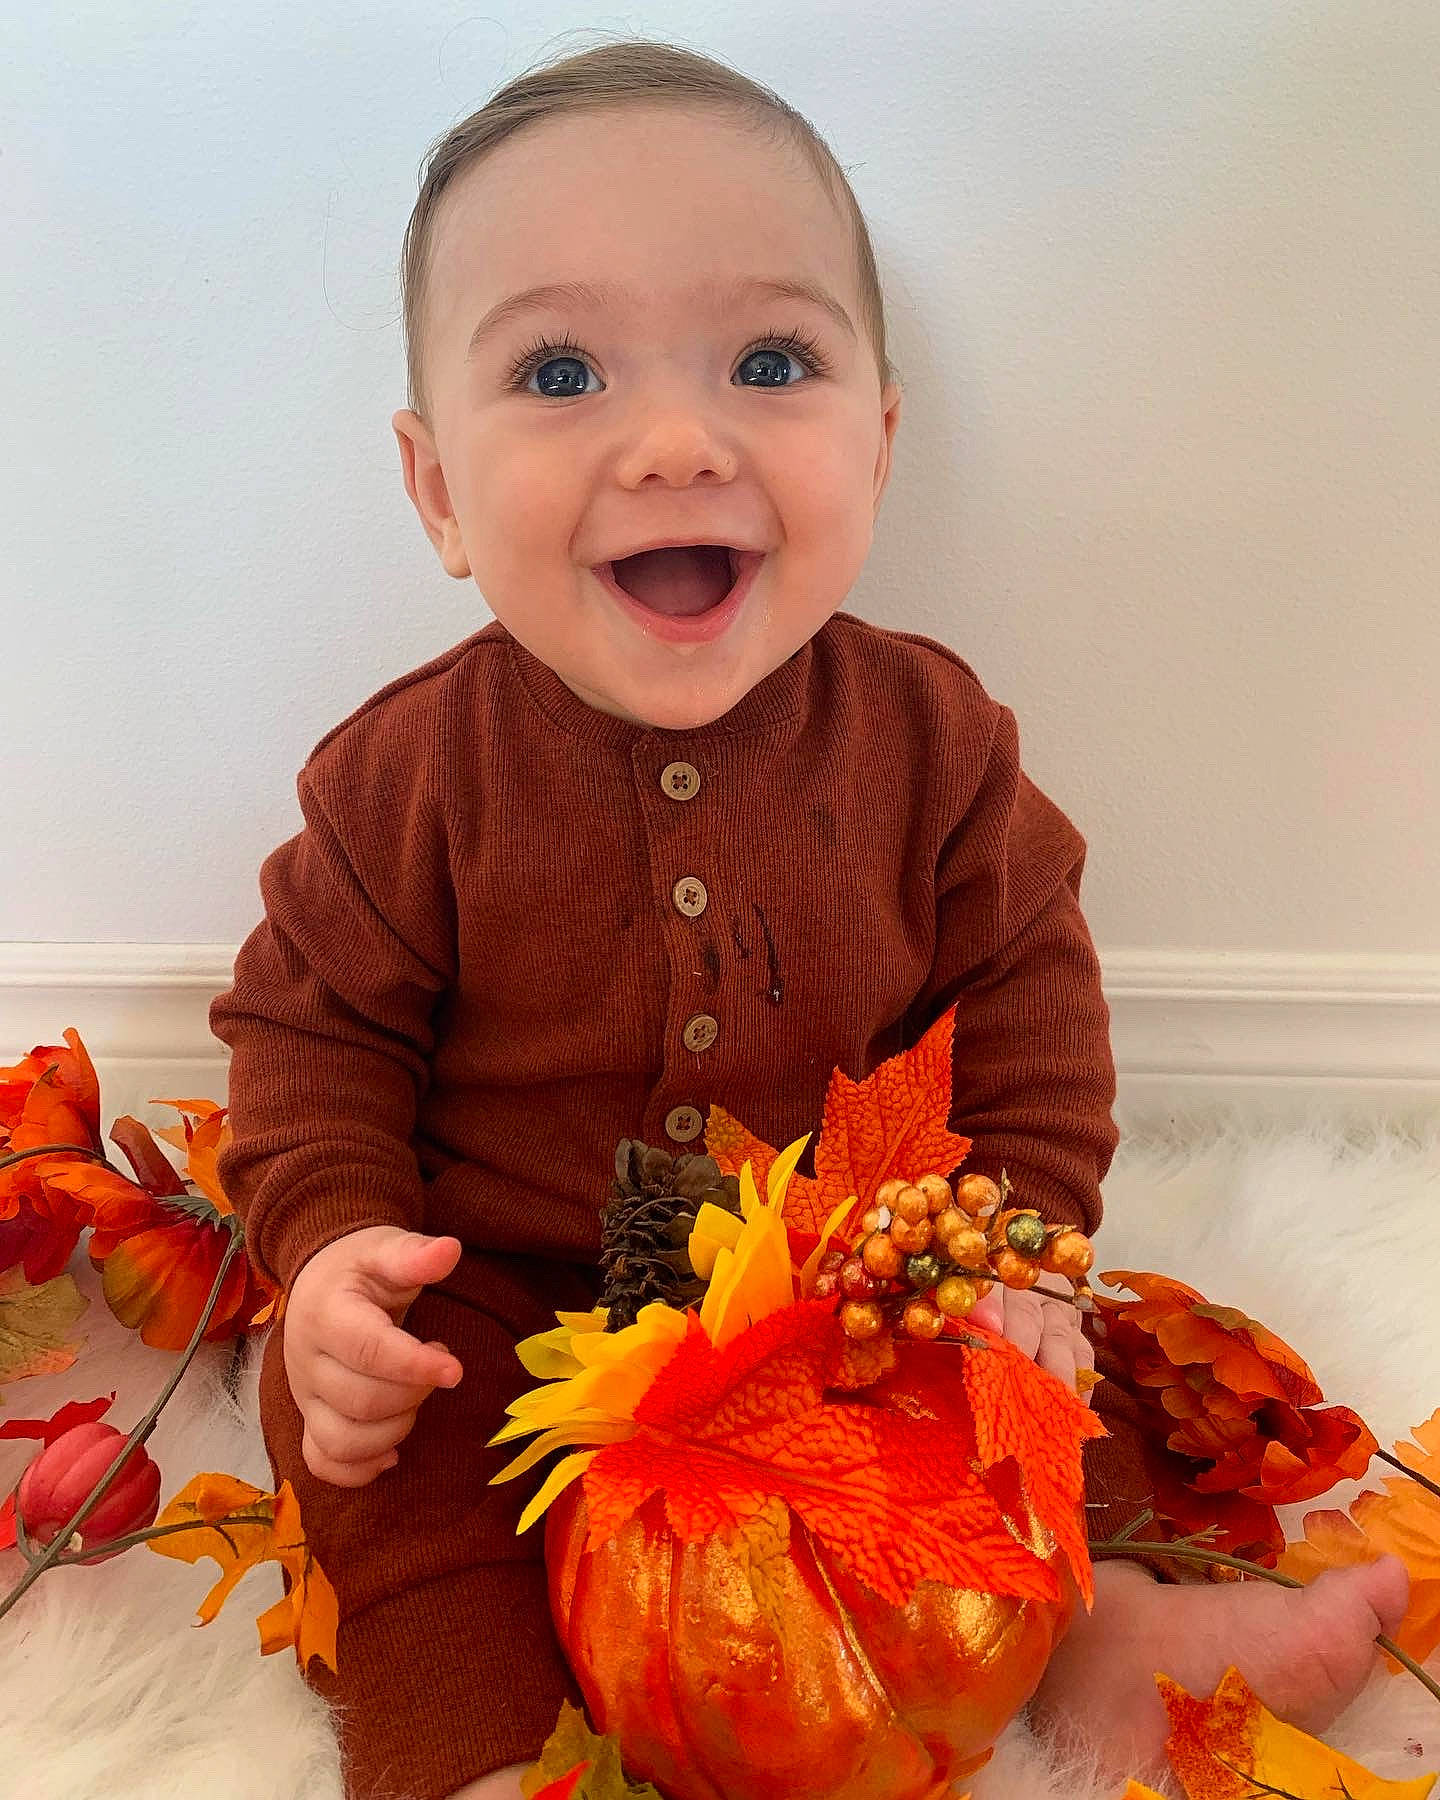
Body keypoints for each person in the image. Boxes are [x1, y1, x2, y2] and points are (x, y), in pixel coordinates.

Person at [210, 39, 1408, 1800]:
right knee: (378, 1446)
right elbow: (308, 1033)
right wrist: (333, 1263)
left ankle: (1092, 1642)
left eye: (770, 364)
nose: (679, 442)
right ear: (438, 491)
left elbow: (1027, 1004)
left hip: (843, 1289)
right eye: (560, 371)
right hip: (509, 1294)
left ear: (880, 440)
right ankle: (464, 1739)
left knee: (1034, 1390)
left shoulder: (933, 742)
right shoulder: (405, 778)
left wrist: (1004, 1249)